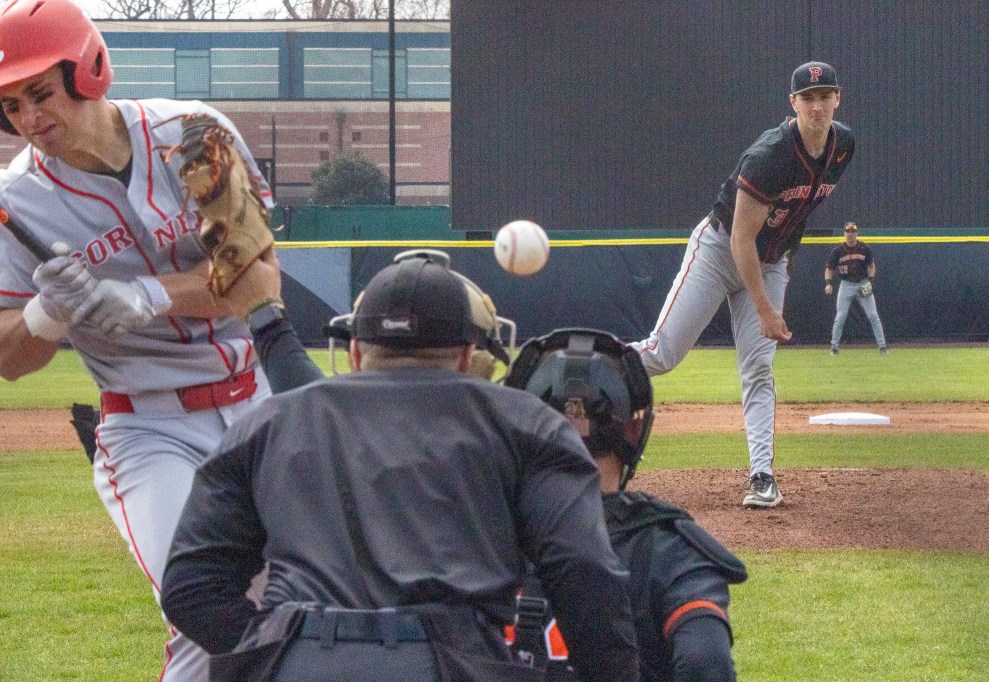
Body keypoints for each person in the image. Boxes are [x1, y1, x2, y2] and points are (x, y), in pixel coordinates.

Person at [160, 254, 640, 681]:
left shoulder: (268, 422)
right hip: (451, 659)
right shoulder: (526, 423)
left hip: (300, 656)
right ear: (466, 355)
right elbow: (583, 571)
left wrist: (274, 652)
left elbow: (191, 587)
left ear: (354, 352)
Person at [0, 1, 272, 678]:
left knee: (287, 605)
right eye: (11, 106)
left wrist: (146, 296)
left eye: (41, 93)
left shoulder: (194, 132)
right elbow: (8, 361)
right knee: (201, 610)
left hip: (261, 404)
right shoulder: (18, 200)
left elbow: (258, 272)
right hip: (151, 427)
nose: (31, 120)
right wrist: (46, 315)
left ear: (88, 69)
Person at [631, 61, 855, 509]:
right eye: (807, 98)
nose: (816, 106)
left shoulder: (844, 146)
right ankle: (572, 367)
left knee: (758, 369)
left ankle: (762, 476)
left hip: (769, 261)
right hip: (720, 251)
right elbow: (741, 238)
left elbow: (795, 216)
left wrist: (779, 273)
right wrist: (765, 308)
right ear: (792, 105)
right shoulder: (769, 156)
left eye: (824, 96)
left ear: (837, 98)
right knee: (662, 353)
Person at [504, 328, 748, 681]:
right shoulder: (672, 550)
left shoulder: (478, 535)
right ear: (633, 432)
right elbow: (705, 665)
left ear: (528, 432)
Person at [824, 222, 888, 355]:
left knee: (873, 315)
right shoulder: (838, 250)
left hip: (862, 282)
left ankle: (882, 347)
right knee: (840, 316)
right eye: (848, 232)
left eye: (853, 232)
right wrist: (828, 283)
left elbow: (872, 266)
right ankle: (834, 348)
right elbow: (829, 268)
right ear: (844, 233)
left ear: (857, 233)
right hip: (846, 284)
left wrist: (870, 281)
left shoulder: (864, 248)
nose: (851, 235)